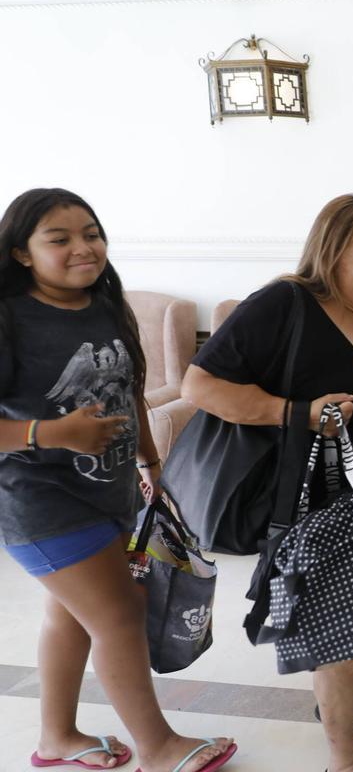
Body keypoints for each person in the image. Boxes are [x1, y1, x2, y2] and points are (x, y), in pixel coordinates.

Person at [181, 193, 353, 772]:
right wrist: (296, 412)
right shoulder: (286, 302)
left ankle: (339, 705)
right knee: (344, 631)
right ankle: (344, 757)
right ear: (330, 254)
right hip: (312, 499)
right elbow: (200, 386)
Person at [0, 188, 236, 772]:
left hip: (111, 492)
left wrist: (150, 466)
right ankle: (158, 749)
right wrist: (52, 434)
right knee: (118, 616)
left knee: (71, 614)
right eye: (60, 239)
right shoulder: (7, 318)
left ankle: (56, 737)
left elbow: (128, 392)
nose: (84, 247)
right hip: (38, 501)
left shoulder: (106, 303)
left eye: (92, 233)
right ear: (22, 253)